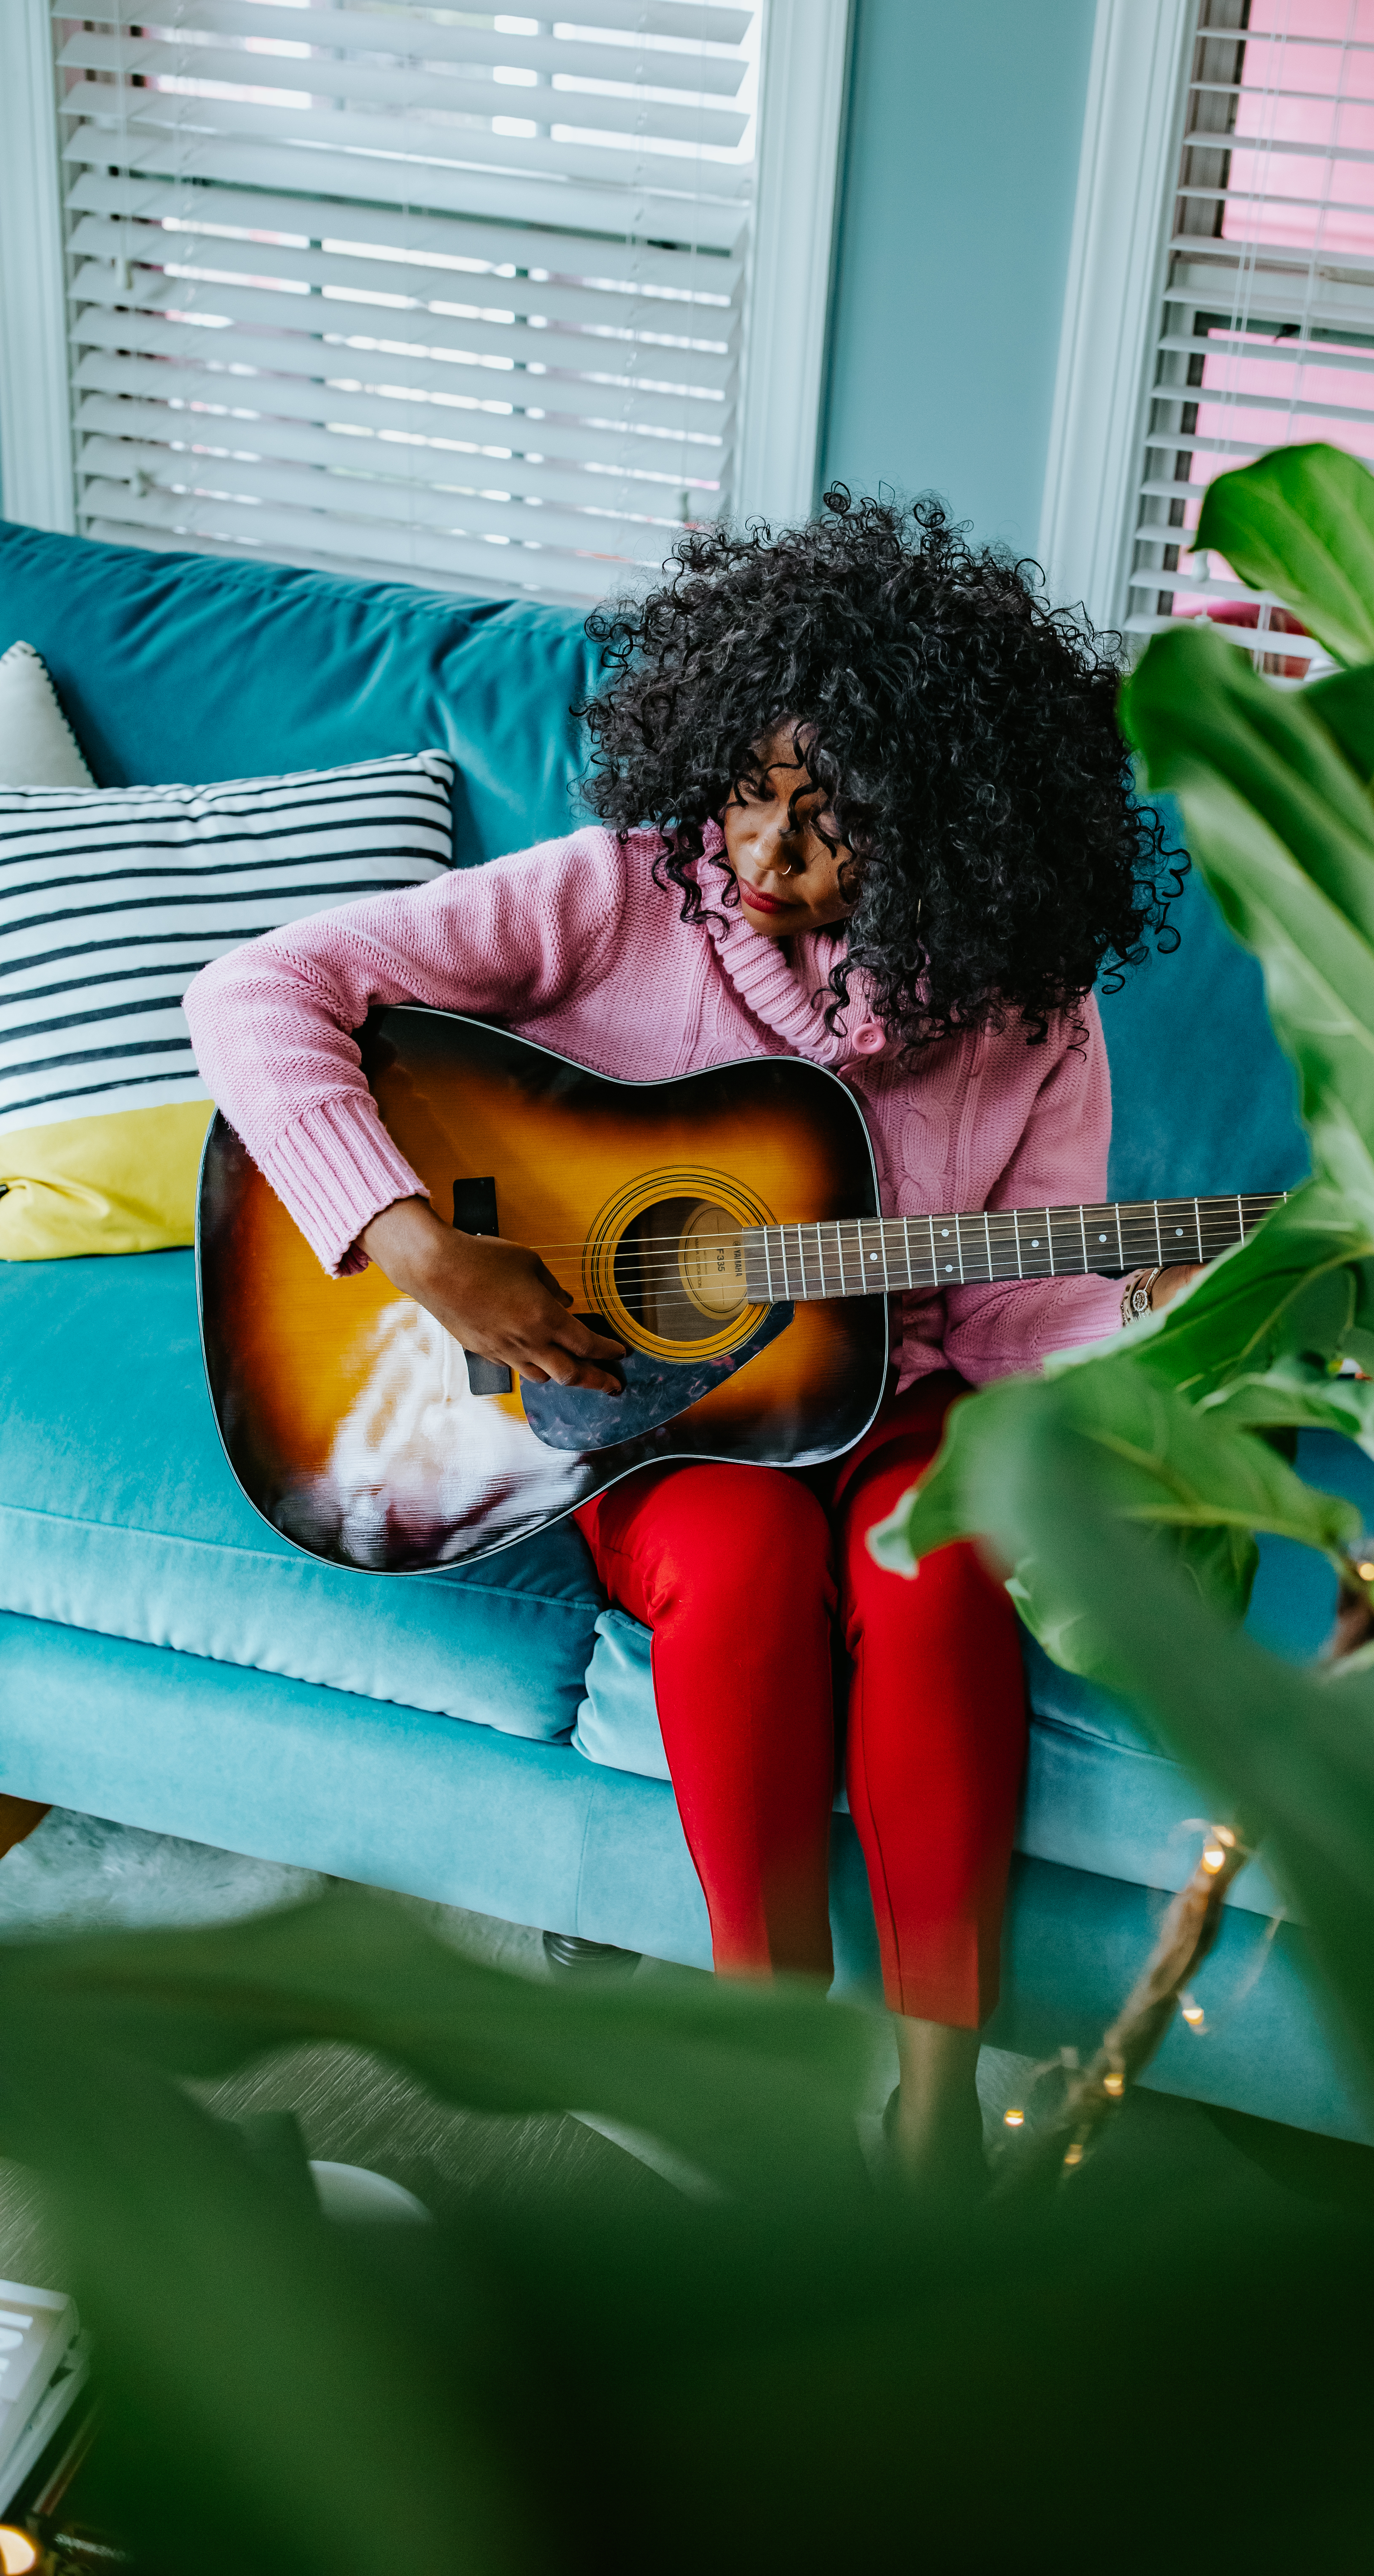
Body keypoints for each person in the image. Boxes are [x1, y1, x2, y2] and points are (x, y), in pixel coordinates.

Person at [186, 490, 1194, 2190]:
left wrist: (1140, 1316)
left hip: (896, 1399)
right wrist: (419, 1244)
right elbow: (253, 993)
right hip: (646, 1413)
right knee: (739, 1572)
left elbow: (1010, 1316)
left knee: (936, 1566)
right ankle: (770, 2072)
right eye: (750, 790)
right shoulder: (617, 897)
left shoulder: (1030, 1013)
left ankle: (937, 2109)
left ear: (952, 837)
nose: (763, 850)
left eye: (829, 824)